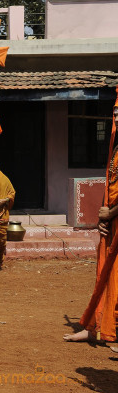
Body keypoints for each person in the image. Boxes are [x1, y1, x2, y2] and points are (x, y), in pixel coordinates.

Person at [63, 99, 118, 345]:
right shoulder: (115, 146)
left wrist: (112, 212)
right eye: (115, 111)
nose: (116, 116)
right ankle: (97, 326)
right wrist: (105, 215)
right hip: (113, 222)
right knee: (105, 275)